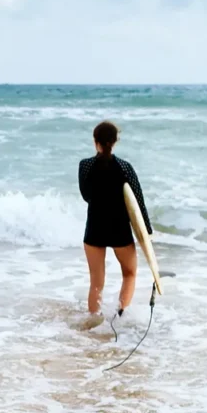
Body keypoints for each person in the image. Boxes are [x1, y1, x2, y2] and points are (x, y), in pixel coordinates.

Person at [77, 121, 152, 317]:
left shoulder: (85, 166)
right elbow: (138, 202)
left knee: (96, 282)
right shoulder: (125, 168)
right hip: (119, 230)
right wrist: (147, 233)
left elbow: (86, 196)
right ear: (115, 142)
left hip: (94, 227)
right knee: (129, 274)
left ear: (95, 141)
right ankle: (119, 317)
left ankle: (94, 321)